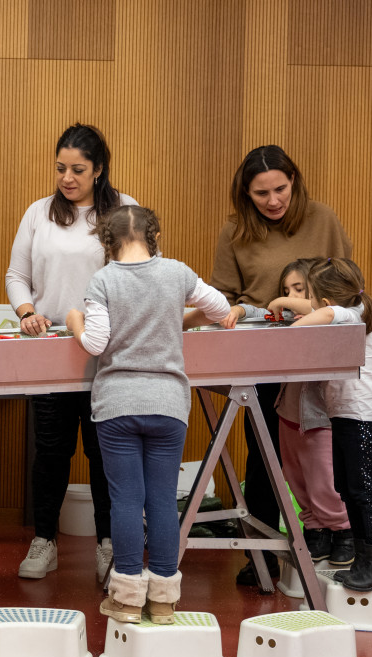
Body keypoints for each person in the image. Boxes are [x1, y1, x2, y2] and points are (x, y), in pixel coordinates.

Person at [66, 205, 232, 623]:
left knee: (126, 500)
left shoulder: (103, 280)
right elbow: (220, 308)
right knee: (160, 500)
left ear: (107, 241)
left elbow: (97, 344)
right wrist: (176, 321)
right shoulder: (176, 273)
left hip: (118, 404)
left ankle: (125, 599)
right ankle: (162, 600)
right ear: (154, 235)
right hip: (168, 404)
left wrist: (74, 322)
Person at [206, 144, 353, 587]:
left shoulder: (323, 219)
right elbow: (223, 298)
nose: (273, 201)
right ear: (245, 194)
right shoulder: (235, 232)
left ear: (295, 182)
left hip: (317, 356)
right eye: (260, 194)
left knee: (325, 450)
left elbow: (349, 284)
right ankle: (262, 553)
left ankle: (337, 532)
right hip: (261, 356)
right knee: (267, 453)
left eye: (281, 189)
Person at [6, 123, 139, 582]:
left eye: (78, 169)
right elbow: (16, 276)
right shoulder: (39, 213)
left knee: (107, 451)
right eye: (61, 168)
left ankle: (109, 543)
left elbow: (142, 273)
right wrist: (26, 312)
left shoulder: (125, 211)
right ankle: (45, 540)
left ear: (99, 170)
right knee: (51, 451)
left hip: (110, 351)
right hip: (53, 350)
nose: (67, 178)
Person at [241, 259, 355, 565]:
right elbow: (261, 313)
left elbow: (321, 313)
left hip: (317, 420)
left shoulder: (331, 318)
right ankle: (316, 530)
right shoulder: (287, 319)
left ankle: (343, 531)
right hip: (288, 417)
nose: (290, 297)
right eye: (285, 290)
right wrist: (246, 310)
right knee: (297, 479)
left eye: (298, 289)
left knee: (324, 481)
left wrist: (283, 301)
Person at [291, 258, 372, 591]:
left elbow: (329, 314)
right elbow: (326, 318)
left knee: (364, 495)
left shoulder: (353, 313)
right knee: (349, 491)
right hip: (346, 420)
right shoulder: (351, 314)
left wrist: (300, 325)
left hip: (361, 421)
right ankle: (367, 560)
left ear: (324, 300)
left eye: (311, 298)